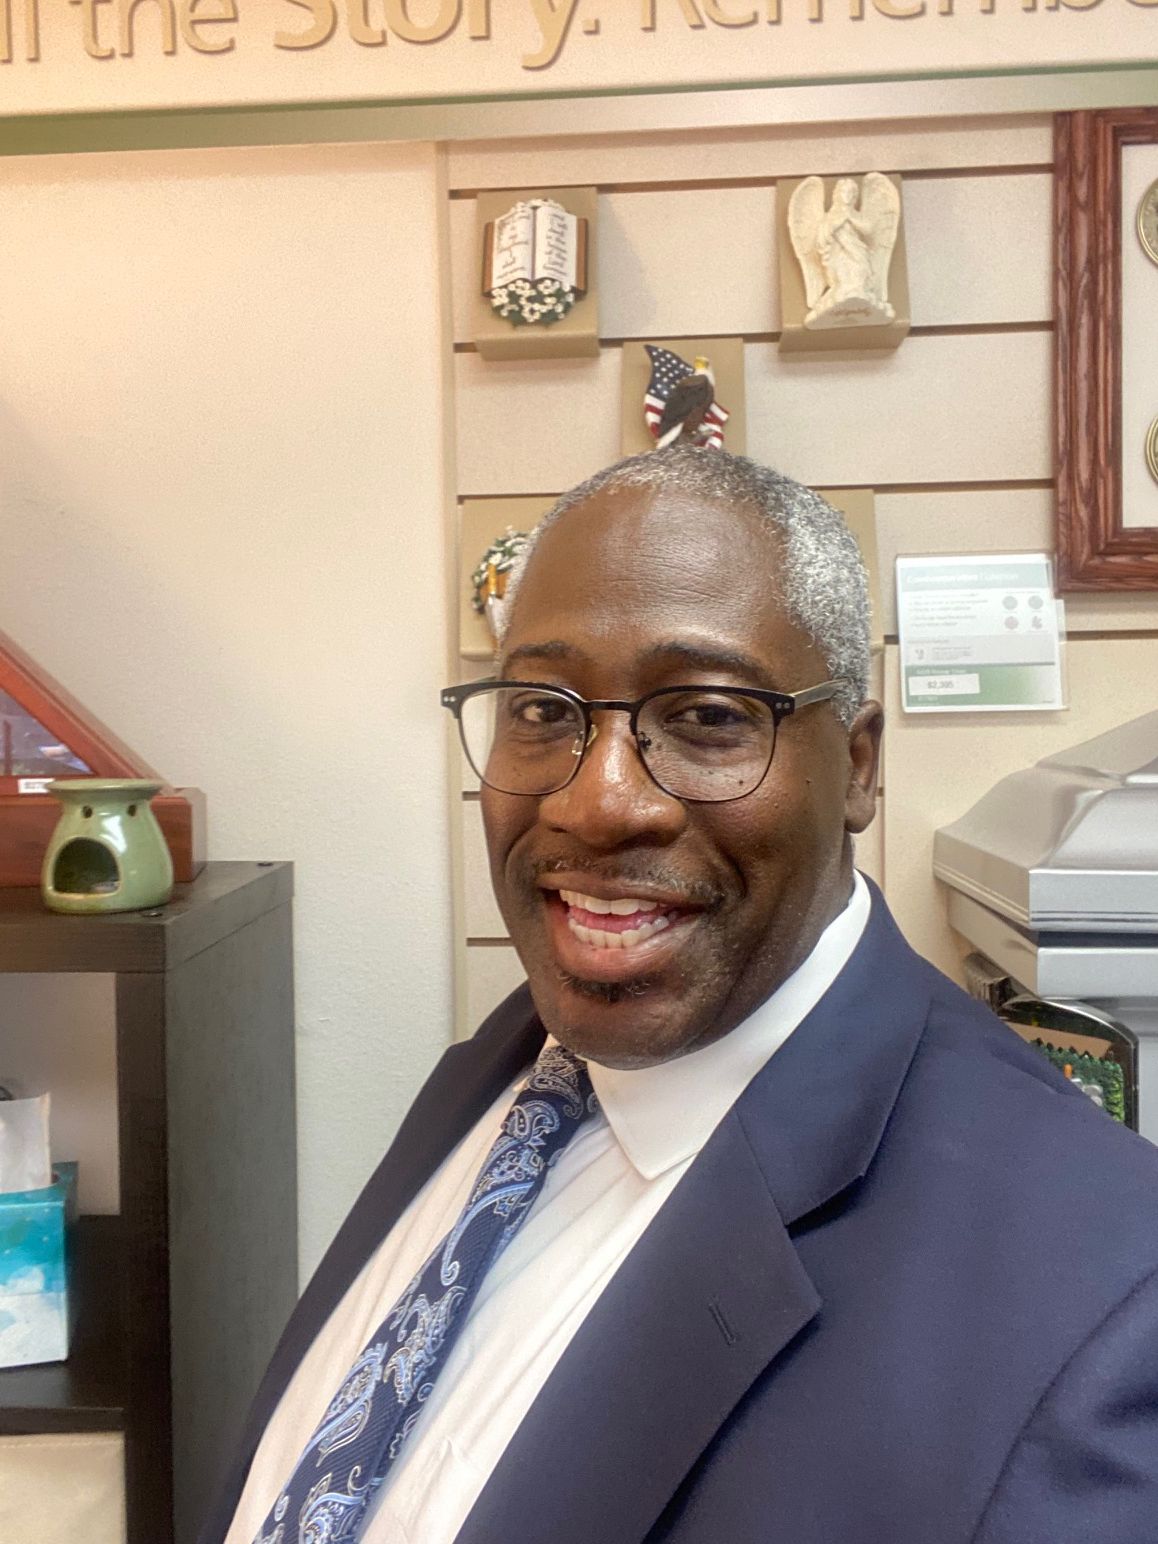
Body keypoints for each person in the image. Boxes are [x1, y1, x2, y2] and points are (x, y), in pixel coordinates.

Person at [206, 448, 1158, 1544]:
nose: (597, 800)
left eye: (707, 715)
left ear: (856, 766)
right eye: (541, 707)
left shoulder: (1102, 1308)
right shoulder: (501, 1069)